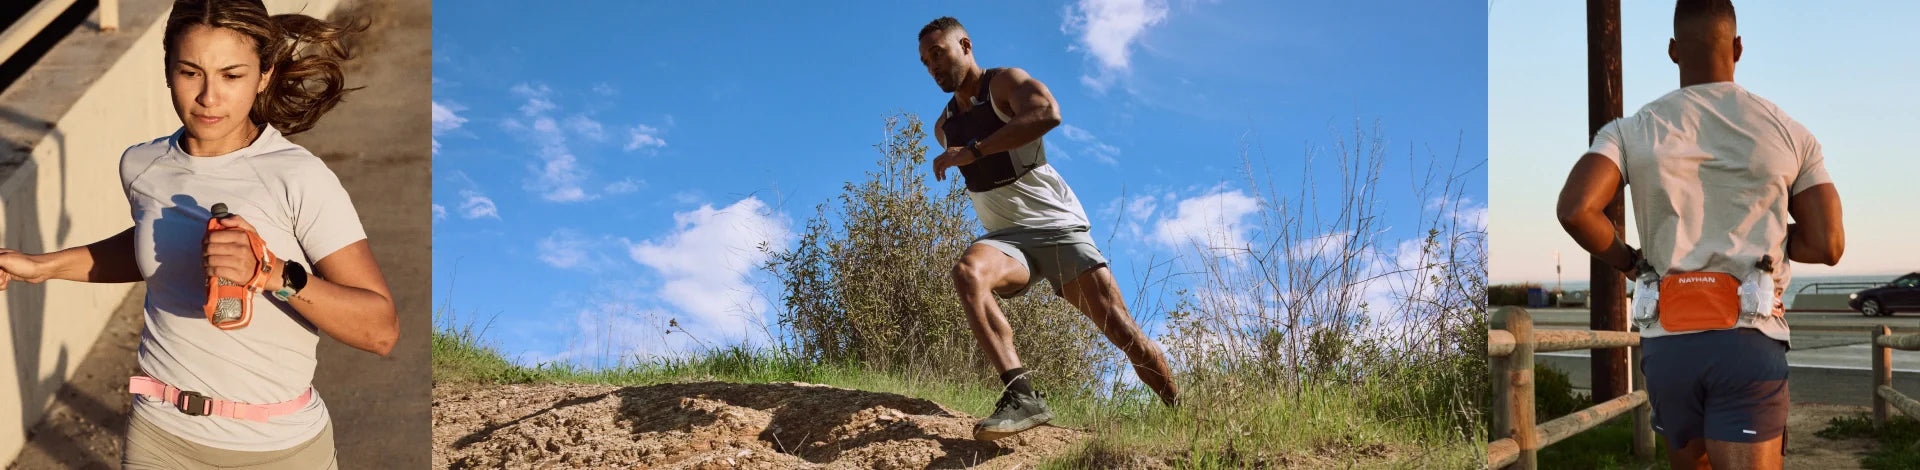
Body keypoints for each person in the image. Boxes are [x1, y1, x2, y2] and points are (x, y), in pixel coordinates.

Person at [0, 1, 396, 467]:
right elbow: (151, 247)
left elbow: (380, 330)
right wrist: (44, 267)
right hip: (160, 440)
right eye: (192, 73)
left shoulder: (299, 178)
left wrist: (271, 273)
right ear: (168, 70)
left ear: (264, 75)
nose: (209, 97)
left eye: (232, 75)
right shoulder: (143, 165)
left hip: (280, 449)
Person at [1555, 1, 1843, 468]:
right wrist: (1769, 233)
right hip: (1748, 337)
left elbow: (1575, 209)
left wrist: (1631, 263)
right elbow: (1829, 244)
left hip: (1669, 343)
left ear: (1673, 51)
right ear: (1738, 47)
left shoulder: (1631, 130)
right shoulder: (1789, 132)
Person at [916, 16, 1179, 441]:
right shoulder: (944, 126)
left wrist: (976, 151)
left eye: (938, 54)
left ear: (965, 44)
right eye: (926, 62)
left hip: (1056, 227)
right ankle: (1022, 396)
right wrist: (966, 154)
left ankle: (1182, 413)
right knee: (967, 272)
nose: (933, 67)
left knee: (1122, 331)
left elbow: (1046, 113)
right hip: (1006, 240)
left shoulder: (1004, 84)